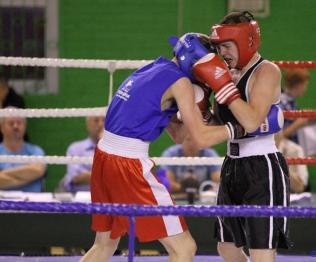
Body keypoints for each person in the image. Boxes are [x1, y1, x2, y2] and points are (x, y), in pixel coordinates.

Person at [80, 33, 246, 262]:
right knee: (184, 248)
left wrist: (199, 108)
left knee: (104, 245)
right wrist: (239, 129)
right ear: (196, 60)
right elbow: (201, 139)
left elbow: (178, 136)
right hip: (128, 165)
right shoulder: (181, 83)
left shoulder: (153, 68)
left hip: (104, 156)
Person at [198, 11, 292, 262]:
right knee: (226, 248)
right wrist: (203, 111)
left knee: (261, 253)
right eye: (219, 47)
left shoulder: (266, 71)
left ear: (246, 41)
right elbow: (223, 123)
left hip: (262, 167)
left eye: (227, 46)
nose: (223, 53)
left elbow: (251, 120)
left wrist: (223, 86)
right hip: (232, 165)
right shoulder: (226, 72)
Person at [0, 107, 46, 193]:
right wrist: (22, 180)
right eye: (11, 123)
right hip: (0, 204)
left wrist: (2, 173)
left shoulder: (35, 151)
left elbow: (38, 170)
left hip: (32, 204)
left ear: (24, 126)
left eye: (19, 123)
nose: (15, 126)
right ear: (2, 127)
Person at [55, 116, 105, 193]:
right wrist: (108, 174)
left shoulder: (117, 149)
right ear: (88, 125)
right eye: (96, 121)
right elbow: (76, 178)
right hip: (80, 201)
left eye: (104, 120)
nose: (101, 124)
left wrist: (105, 145)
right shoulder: (75, 148)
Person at [279, 68, 312, 144]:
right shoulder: (282, 103)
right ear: (298, 86)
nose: (305, 89)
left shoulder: (290, 100)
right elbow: (278, 135)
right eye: (305, 85)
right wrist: (298, 123)